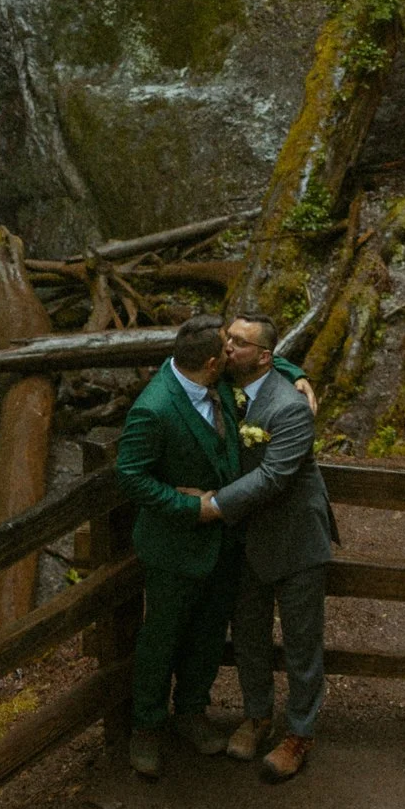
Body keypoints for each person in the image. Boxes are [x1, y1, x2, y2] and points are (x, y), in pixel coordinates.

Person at [115, 314, 313, 780]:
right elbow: (130, 477)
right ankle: (146, 727)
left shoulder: (219, 382)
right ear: (210, 362)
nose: (232, 354)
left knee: (207, 634)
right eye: (226, 349)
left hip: (223, 543)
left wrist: (297, 375)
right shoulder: (154, 408)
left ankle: (190, 712)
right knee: (161, 639)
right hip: (174, 546)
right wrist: (190, 510)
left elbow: (264, 359)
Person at [195, 312, 338, 784]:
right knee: (250, 631)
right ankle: (257, 715)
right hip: (248, 536)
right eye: (228, 337)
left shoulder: (289, 408)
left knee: (301, 640)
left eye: (240, 342)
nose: (228, 346)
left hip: (295, 535)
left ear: (264, 357)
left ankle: (300, 732)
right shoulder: (228, 385)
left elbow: (274, 477)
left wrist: (214, 506)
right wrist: (299, 371)